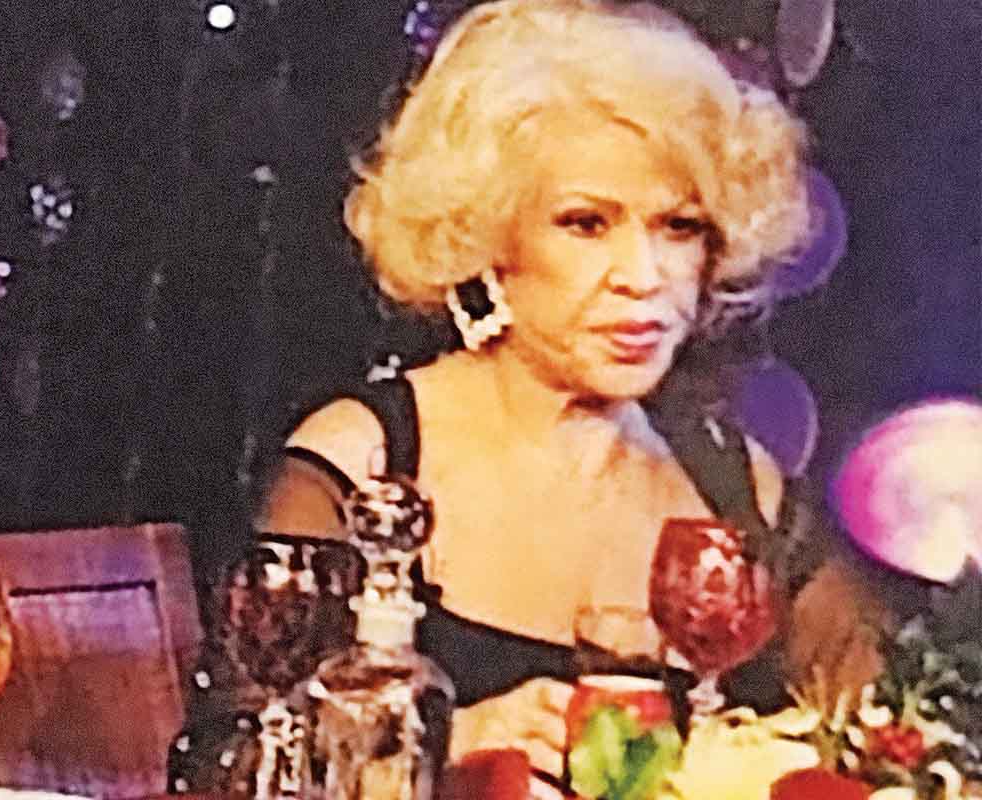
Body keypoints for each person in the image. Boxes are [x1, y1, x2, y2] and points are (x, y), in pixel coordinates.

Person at [172, 0, 815, 795]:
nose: (644, 276)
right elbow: (227, 766)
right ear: (487, 238)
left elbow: (903, 739)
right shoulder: (366, 461)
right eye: (586, 224)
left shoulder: (739, 489)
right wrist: (435, 748)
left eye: (679, 227)